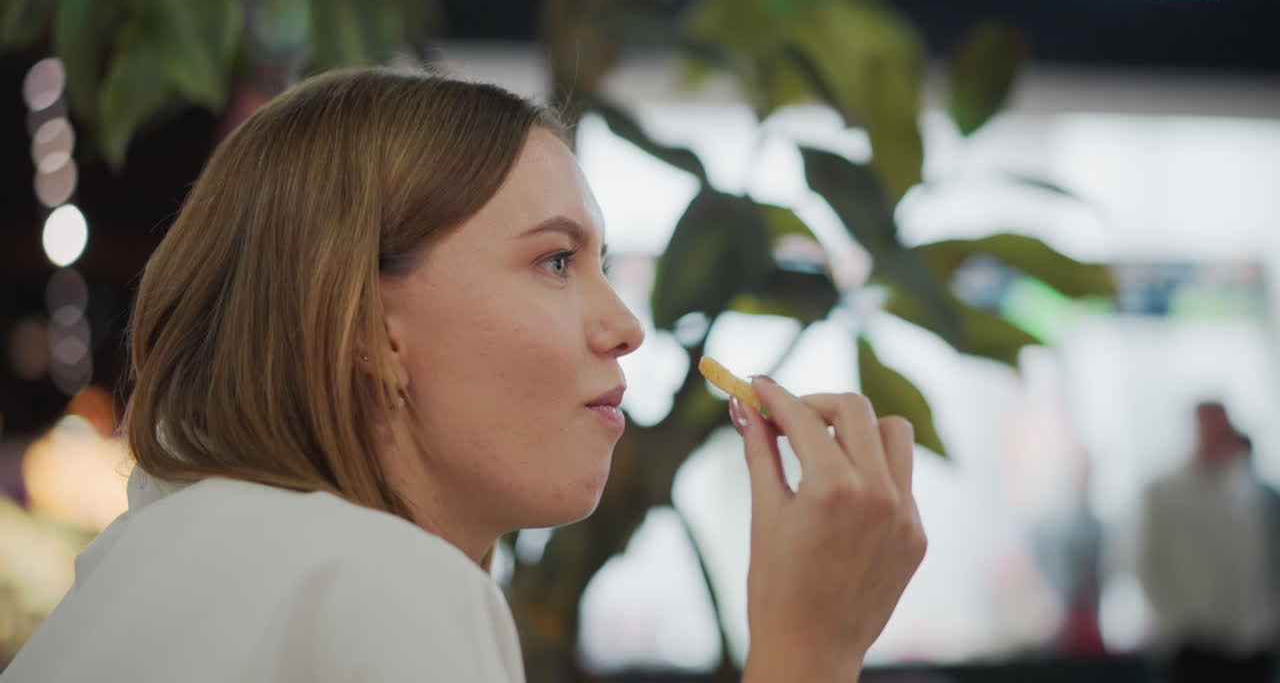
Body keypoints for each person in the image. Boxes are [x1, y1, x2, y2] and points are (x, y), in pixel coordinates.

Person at [0, 67, 926, 682]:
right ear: (370, 327)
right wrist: (810, 648)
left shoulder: (163, 562)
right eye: (557, 262)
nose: (626, 327)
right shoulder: (376, 580)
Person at [1137, 402, 1280, 683]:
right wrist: (1175, 623)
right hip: (1193, 642)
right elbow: (1147, 563)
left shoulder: (1248, 491)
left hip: (1251, 640)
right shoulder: (1164, 492)